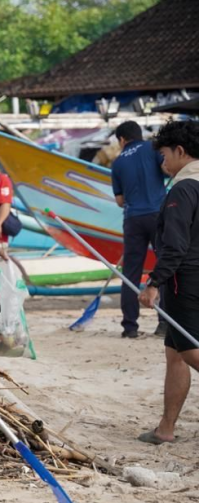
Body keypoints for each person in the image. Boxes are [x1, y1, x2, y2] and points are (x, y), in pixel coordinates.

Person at [137, 120, 199, 445]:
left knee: (189, 351)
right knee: (174, 351)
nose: (162, 162)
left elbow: (175, 245)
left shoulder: (183, 188)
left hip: (185, 281)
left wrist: (153, 283)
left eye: (163, 154)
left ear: (179, 150)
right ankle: (166, 428)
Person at [113, 120, 169, 339]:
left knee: (131, 273)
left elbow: (119, 200)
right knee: (164, 265)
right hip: (158, 215)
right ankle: (164, 323)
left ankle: (129, 327)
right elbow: (167, 168)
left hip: (133, 219)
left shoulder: (117, 163)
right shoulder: (152, 148)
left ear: (121, 140)